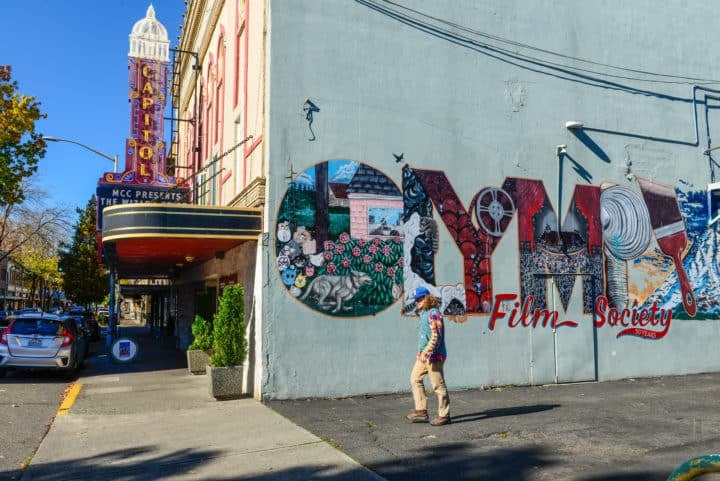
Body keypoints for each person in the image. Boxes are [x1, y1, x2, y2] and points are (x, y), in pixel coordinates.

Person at [406, 286, 451, 426]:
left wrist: (427, 352)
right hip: (423, 356)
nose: (417, 302)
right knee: (415, 378)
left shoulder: (434, 313)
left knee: (438, 385)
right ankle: (421, 411)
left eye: (420, 299)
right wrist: (422, 353)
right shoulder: (424, 313)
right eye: (416, 300)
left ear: (427, 298)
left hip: (434, 357)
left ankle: (444, 415)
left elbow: (436, 337)